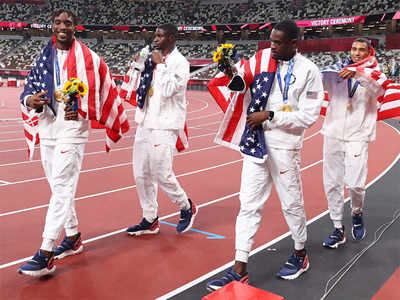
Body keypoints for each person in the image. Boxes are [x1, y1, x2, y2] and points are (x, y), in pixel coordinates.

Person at [206, 20, 324, 290]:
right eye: (270, 41)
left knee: (291, 203)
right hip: (256, 143)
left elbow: (309, 115)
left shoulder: (309, 71)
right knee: (248, 205)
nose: (271, 46)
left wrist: (270, 116)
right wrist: (229, 71)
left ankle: (299, 252)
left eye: (277, 42)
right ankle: (239, 267)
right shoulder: (261, 60)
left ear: (294, 43)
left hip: (285, 146)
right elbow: (241, 84)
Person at [18, 10, 129, 277]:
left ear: (75, 27)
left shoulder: (90, 59)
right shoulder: (43, 57)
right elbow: (28, 90)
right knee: (57, 186)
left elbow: (103, 89)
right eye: (58, 22)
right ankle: (73, 235)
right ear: (52, 27)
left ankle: (46, 252)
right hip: (48, 127)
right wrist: (29, 100)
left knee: (63, 186)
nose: (62, 26)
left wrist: (81, 108)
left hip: (73, 129)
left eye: (67, 22)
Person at [120, 24, 197, 236]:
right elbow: (138, 82)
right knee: (141, 174)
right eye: (155, 35)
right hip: (145, 121)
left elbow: (170, 89)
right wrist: (138, 64)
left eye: (160, 36)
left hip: (165, 124)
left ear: (171, 38)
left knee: (162, 173)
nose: (155, 39)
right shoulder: (150, 58)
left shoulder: (180, 63)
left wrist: (160, 65)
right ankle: (149, 218)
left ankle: (186, 206)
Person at [321, 38, 387, 248]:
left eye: (361, 50)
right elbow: (318, 84)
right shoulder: (337, 68)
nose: (357, 53)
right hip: (333, 132)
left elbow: (381, 89)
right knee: (332, 183)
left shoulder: (375, 71)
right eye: (354, 49)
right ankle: (337, 227)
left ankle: (357, 213)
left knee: (356, 183)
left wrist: (358, 74)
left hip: (358, 134)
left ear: (369, 52)